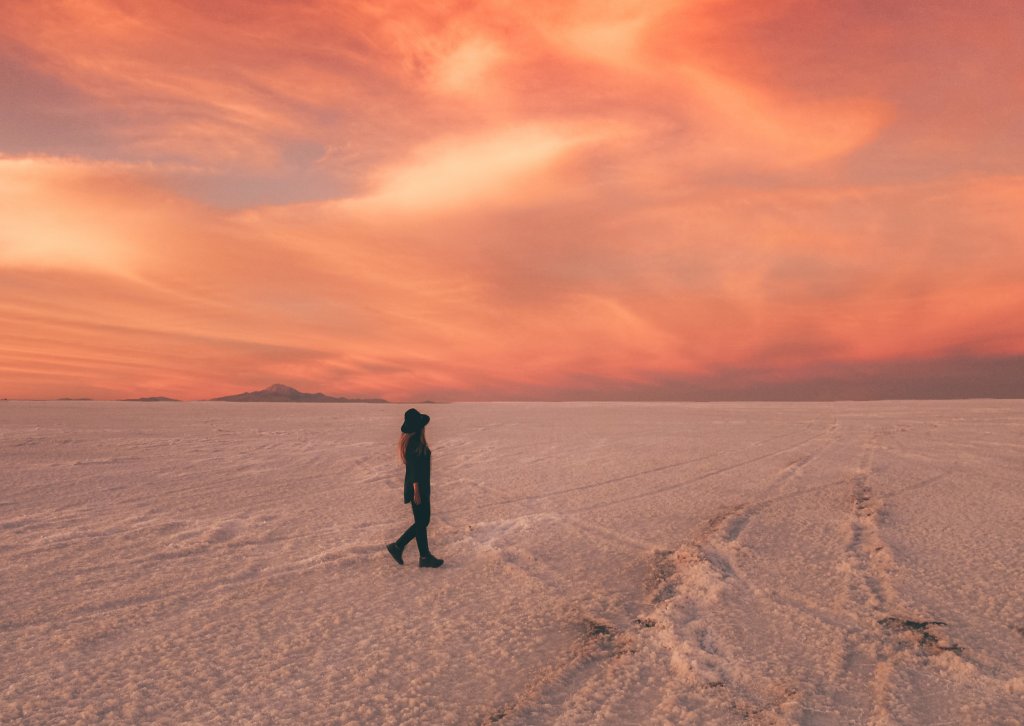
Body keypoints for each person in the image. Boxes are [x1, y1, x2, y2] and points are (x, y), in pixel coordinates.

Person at [387, 408, 444, 568]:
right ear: (419, 427)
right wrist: (417, 491)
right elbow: (414, 470)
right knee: (422, 521)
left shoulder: (415, 443)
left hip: (420, 487)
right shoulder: (414, 445)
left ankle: (423, 556)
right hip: (417, 488)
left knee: (422, 521)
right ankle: (398, 546)